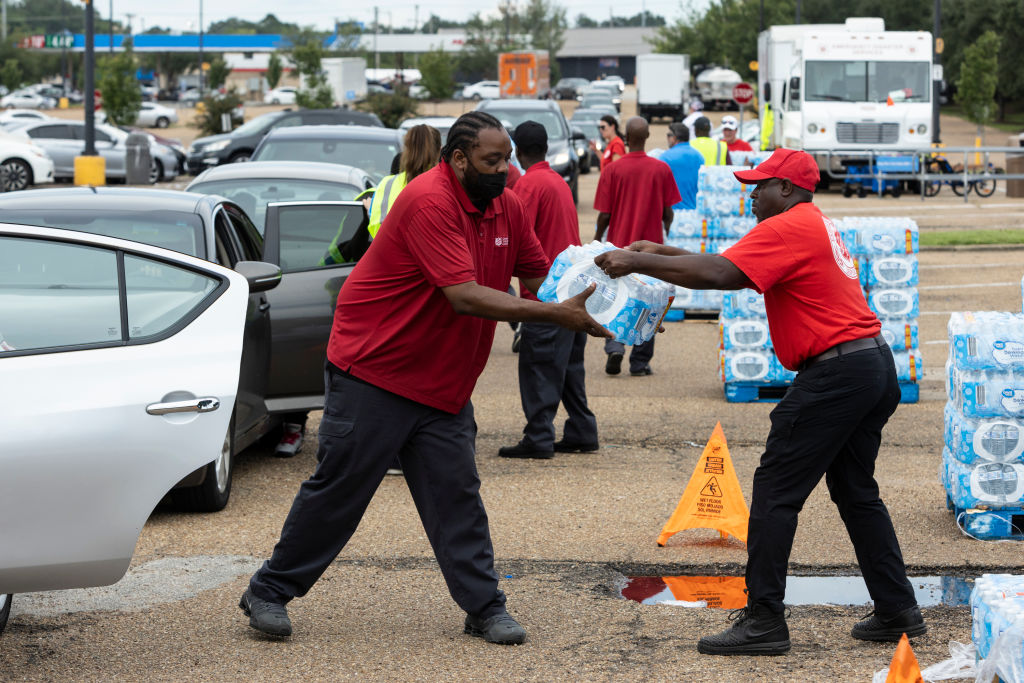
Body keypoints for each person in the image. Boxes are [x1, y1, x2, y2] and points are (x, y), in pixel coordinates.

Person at [240, 111, 611, 644]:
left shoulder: (506, 206)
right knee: (340, 491)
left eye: (507, 159)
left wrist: (619, 300)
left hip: (442, 382)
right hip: (375, 371)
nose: (504, 170)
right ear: (457, 159)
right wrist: (557, 315)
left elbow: (543, 276)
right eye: (491, 160)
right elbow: (464, 296)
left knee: (456, 496)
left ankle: (484, 607)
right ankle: (269, 590)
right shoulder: (428, 201)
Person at [594, 148, 925, 656]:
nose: (750, 195)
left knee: (775, 493)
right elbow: (731, 266)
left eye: (759, 185)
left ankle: (765, 619)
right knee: (856, 492)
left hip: (837, 374)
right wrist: (659, 251)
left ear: (786, 189)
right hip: (869, 365)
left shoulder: (788, 227)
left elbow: (721, 275)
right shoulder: (808, 222)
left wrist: (637, 260)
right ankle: (897, 607)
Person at [499, 121, 599, 460]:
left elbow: (517, 236)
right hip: (574, 293)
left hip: (545, 295)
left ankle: (538, 437)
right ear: (546, 148)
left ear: (517, 151)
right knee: (569, 367)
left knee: (539, 367)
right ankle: (582, 429)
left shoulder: (528, 185)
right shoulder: (558, 181)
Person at [593, 116, 681, 377]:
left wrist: (597, 239)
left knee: (615, 297)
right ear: (647, 136)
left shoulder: (612, 170)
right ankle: (640, 362)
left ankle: (614, 345)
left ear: (627, 138)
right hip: (651, 251)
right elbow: (668, 212)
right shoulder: (661, 169)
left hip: (619, 248)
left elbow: (605, 214)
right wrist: (665, 231)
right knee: (650, 302)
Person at [368, 124, 442, 238]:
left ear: (405, 151)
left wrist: (370, 211)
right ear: (440, 151)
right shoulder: (447, 185)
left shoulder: (387, 184)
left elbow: (378, 232)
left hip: (391, 249)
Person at [659, 122, 704, 210]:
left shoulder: (665, 157)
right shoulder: (699, 156)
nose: (667, 138)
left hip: (673, 211)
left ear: (675, 138)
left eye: (669, 135)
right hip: (695, 210)